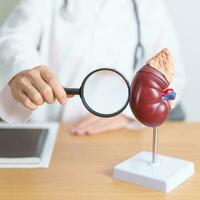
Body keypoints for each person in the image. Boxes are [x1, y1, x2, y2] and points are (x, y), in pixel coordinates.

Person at [0, 0, 186, 135]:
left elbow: (174, 81)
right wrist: (20, 69)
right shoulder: (44, 3)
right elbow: (12, 38)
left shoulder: (150, 7)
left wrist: (130, 115)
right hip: (51, 132)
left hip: (116, 137)